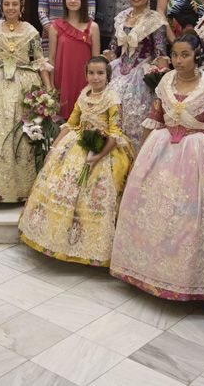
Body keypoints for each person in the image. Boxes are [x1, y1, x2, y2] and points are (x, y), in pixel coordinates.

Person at [110, 33, 204, 300]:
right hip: (160, 148)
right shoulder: (165, 80)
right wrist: (139, 155)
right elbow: (154, 118)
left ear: (197, 55)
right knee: (151, 209)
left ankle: (184, 280)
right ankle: (143, 269)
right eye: (175, 55)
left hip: (195, 152)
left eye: (185, 55)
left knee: (186, 215)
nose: (178, 60)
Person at [19, 56, 133, 266]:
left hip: (105, 148)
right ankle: (57, 239)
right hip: (78, 143)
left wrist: (98, 157)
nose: (95, 77)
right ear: (86, 74)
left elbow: (115, 134)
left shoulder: (113, 99)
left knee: (94, 191)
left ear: (108, 75)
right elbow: (71, 123)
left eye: (100, 73)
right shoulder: (84, 94)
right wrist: (54, 149)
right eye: (91, 73)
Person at [0, 0, 52, 203]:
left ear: (21, 8)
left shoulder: (30, 31)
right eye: (7, 4)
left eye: (14, 4)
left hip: (24, 88)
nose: (10, 8)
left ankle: (23, 190)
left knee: (23, 136)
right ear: (1, 7)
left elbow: (39, 60)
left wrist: (47, 90)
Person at [104, 0, 169, 148]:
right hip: (119, 69)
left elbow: (161, 54)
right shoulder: (121, 17)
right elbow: (112, 48)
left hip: (142, 75)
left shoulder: (156, 20)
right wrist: (102, 68)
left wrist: (161, 83)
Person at [50, 0, 100, 119]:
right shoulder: (55, 26)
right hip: (62, 78)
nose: (73, 1)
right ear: (64, 0)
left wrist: (95, 86)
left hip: (84, 79)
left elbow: (97, 61)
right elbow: (52, 58)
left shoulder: (93, 27)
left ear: (83, 0)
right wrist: (51, 86)